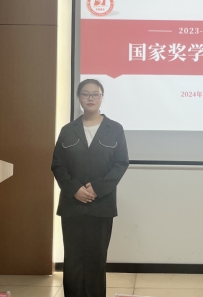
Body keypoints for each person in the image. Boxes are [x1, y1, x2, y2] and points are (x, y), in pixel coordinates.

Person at [52, 79, 129, 297]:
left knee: (96, 259)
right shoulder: (68, 130)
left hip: (101, 205)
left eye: (96, 94)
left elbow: (121, 163)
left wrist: (97, 188)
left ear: (102, 97)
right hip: (72, 205)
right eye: (85, 94)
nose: (90, 98)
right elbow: (57, 165)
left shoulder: (114, 129)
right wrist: (74, 189)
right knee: (73, 259)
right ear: (79, 98)